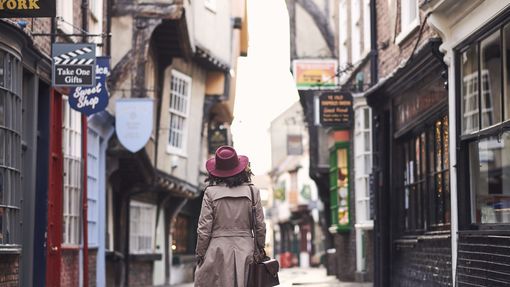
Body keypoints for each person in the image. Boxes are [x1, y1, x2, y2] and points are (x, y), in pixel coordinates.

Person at [194, 146, 266, 287]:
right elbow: (260, 226)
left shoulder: (210, 193)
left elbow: (204, 229)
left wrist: (200, 254)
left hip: (217, 252)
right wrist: (260, 249)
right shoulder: (253, 192)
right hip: (246, 250)